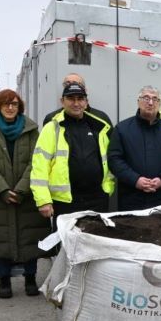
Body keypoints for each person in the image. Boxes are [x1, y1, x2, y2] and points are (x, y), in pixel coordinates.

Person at [0, 89, 51, 299]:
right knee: (2, 238)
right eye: (6, 104)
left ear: (20, 107)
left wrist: (21, 189)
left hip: (26, 193)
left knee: (29, 237)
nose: (10, 108)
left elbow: (36, 161)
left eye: (14, 104)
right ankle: (4, 280)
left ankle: (30, 278)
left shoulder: (31, 129)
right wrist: (2, 189)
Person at [31, 82, 115, 220]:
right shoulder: (52, 128)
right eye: (71, 98)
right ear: (62, 101)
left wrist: (108, 188)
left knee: (97, 234)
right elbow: (39, 167)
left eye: (80, 99)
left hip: (97, 199)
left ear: (86, 102)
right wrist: (43, 200)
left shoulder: (99, 127)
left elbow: (110, 160)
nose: (76, 103)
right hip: (65, 202)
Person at [108, 86, 161, 211]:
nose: (150, 102)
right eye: (146, 98)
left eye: (155, 99)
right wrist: (135, 180)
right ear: (138, 101)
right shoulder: (122, 129)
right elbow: (114, 160)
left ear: (159, 104)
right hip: (130, 199)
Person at [42, 73, 111, 127]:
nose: (71, 87)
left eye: (76, 83)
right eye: (67, 84)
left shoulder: (101, 118)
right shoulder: (51, 119)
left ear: (85, 90)